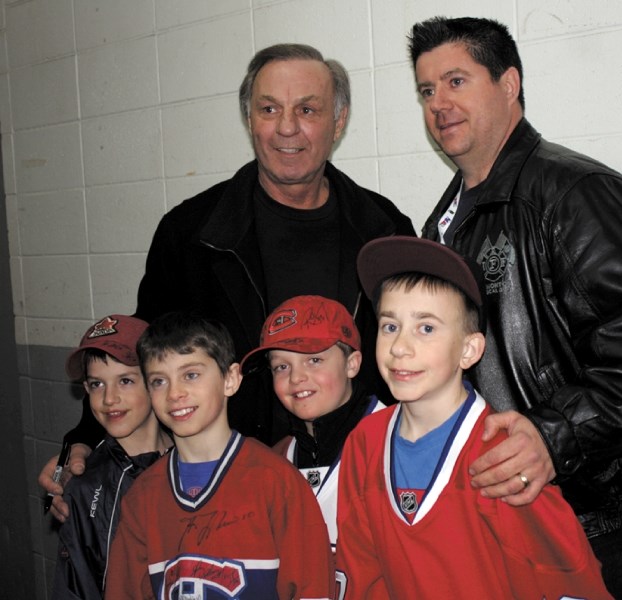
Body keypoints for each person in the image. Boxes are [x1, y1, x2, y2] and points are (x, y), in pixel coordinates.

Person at [39, 42, 415, 520]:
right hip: (230, 492)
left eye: (307, 109)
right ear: (249, 120)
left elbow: (418, 353)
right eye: (269, 109)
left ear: (337, 122)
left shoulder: (383, 230)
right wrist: (86, 444)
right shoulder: (192, 233)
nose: (286, 127)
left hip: (365, 486)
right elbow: (143, 350)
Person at [408, 16, 622, 598]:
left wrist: (555, 436)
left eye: (457, 81)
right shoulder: (445, 222)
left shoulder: (575, 193)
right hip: (496, 509)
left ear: (509, 83)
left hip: (588, 518)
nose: (439, 103)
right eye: (425, 90)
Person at [334, 235, 611, 599]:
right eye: (390, 326)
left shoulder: (505, 457)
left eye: (426, 328)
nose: (400, 347)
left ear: (469, 349)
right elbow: (361, 573)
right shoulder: (365, 442)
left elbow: (568, 580)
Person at [104, 312, 334, 600]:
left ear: (230, 379)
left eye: (191, 375)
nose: (175, 393)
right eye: (159, 381)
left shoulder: (277, 481)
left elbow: (313, 590)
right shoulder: (143, 496)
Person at [240, 294, 385, 552]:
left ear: (352, 364)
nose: (296, 377)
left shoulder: (399, 439)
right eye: (281, 367)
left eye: (314, 360)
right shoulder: (276, 459)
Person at [52, 315, 172, 600]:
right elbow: (75, 587)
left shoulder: (194, 464)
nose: (109, 399)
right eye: (97, 384)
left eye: (126, 381)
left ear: (156, 382)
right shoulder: (84, 486)